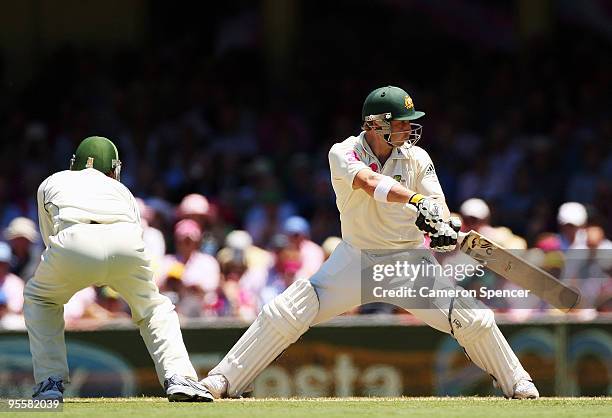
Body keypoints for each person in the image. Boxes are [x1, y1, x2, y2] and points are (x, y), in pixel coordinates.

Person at [200, 86, 538, 399]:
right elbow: (367, 181)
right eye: (402, 123)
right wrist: (416, 201)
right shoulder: (343, 151)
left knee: (473, 319)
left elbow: (437, 203)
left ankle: (517, 381)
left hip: (409, 264)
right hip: (355, 260)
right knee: (285, 312)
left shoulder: (417, 158)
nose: (409, 130)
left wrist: (444, 225)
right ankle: (224, 381)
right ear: (376, 125)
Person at [24, 136, 212, 402]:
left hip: (73, 242)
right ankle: (180, 378)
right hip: (125, 243)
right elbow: (135, 233)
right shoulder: (122, 191)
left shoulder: (51, 182)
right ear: (113, 168)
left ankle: (50, 383)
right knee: (154, 307)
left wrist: (79, 269)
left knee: (40, 299)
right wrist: (114, 270)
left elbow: (49, 237)